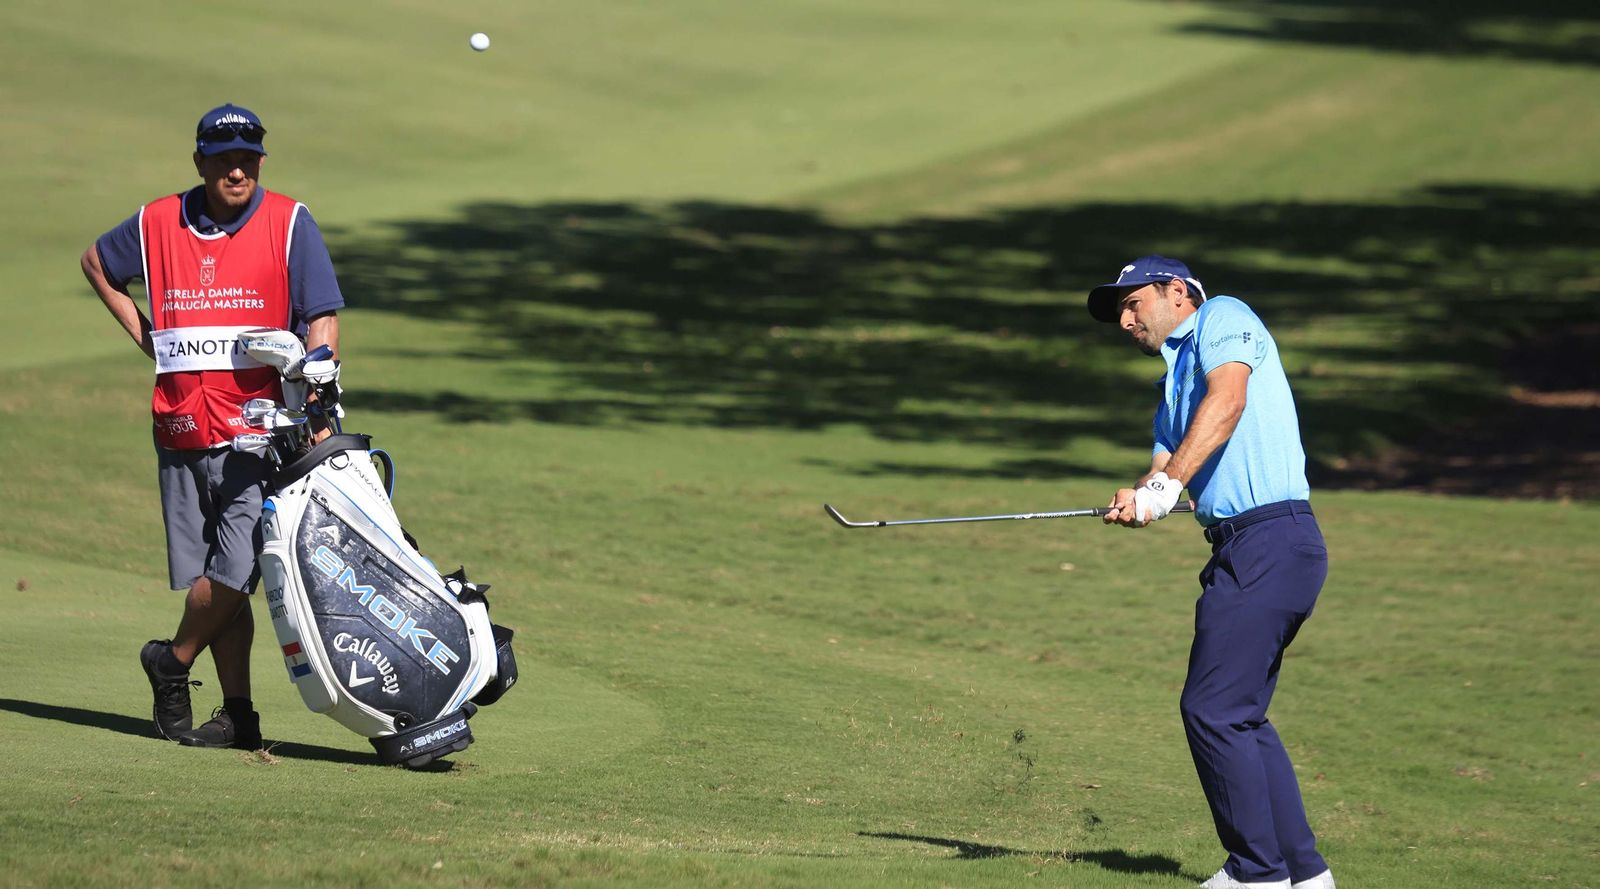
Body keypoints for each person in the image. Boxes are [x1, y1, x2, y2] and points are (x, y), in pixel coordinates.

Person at [80, 103, 344, 750]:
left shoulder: (290, 221)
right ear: (199, 162)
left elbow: (323, 316)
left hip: (257, 432)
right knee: (217, 581)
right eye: (224, 159)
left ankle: (171, 660)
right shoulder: (155, 221)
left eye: (248, 158)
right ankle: (239, 716)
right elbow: (96, 263)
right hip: (179, 426)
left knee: (236, 570)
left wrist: (317, 405)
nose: (237, 170)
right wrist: (146, 336)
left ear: (261, 161)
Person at [1087, 257, 1334, 889]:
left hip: (1271, 539)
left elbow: (1228, 400)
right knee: (1241, 716)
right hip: (1241, 548)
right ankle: (1304, 875)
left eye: (1132, 303)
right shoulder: (1173, 384)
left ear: (1176, 292)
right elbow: (1167, 463)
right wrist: (1140, 495)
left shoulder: (1223, 316)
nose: (1125, 321)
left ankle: (1256, 873)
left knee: (1213, 710)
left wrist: (1165, 486)